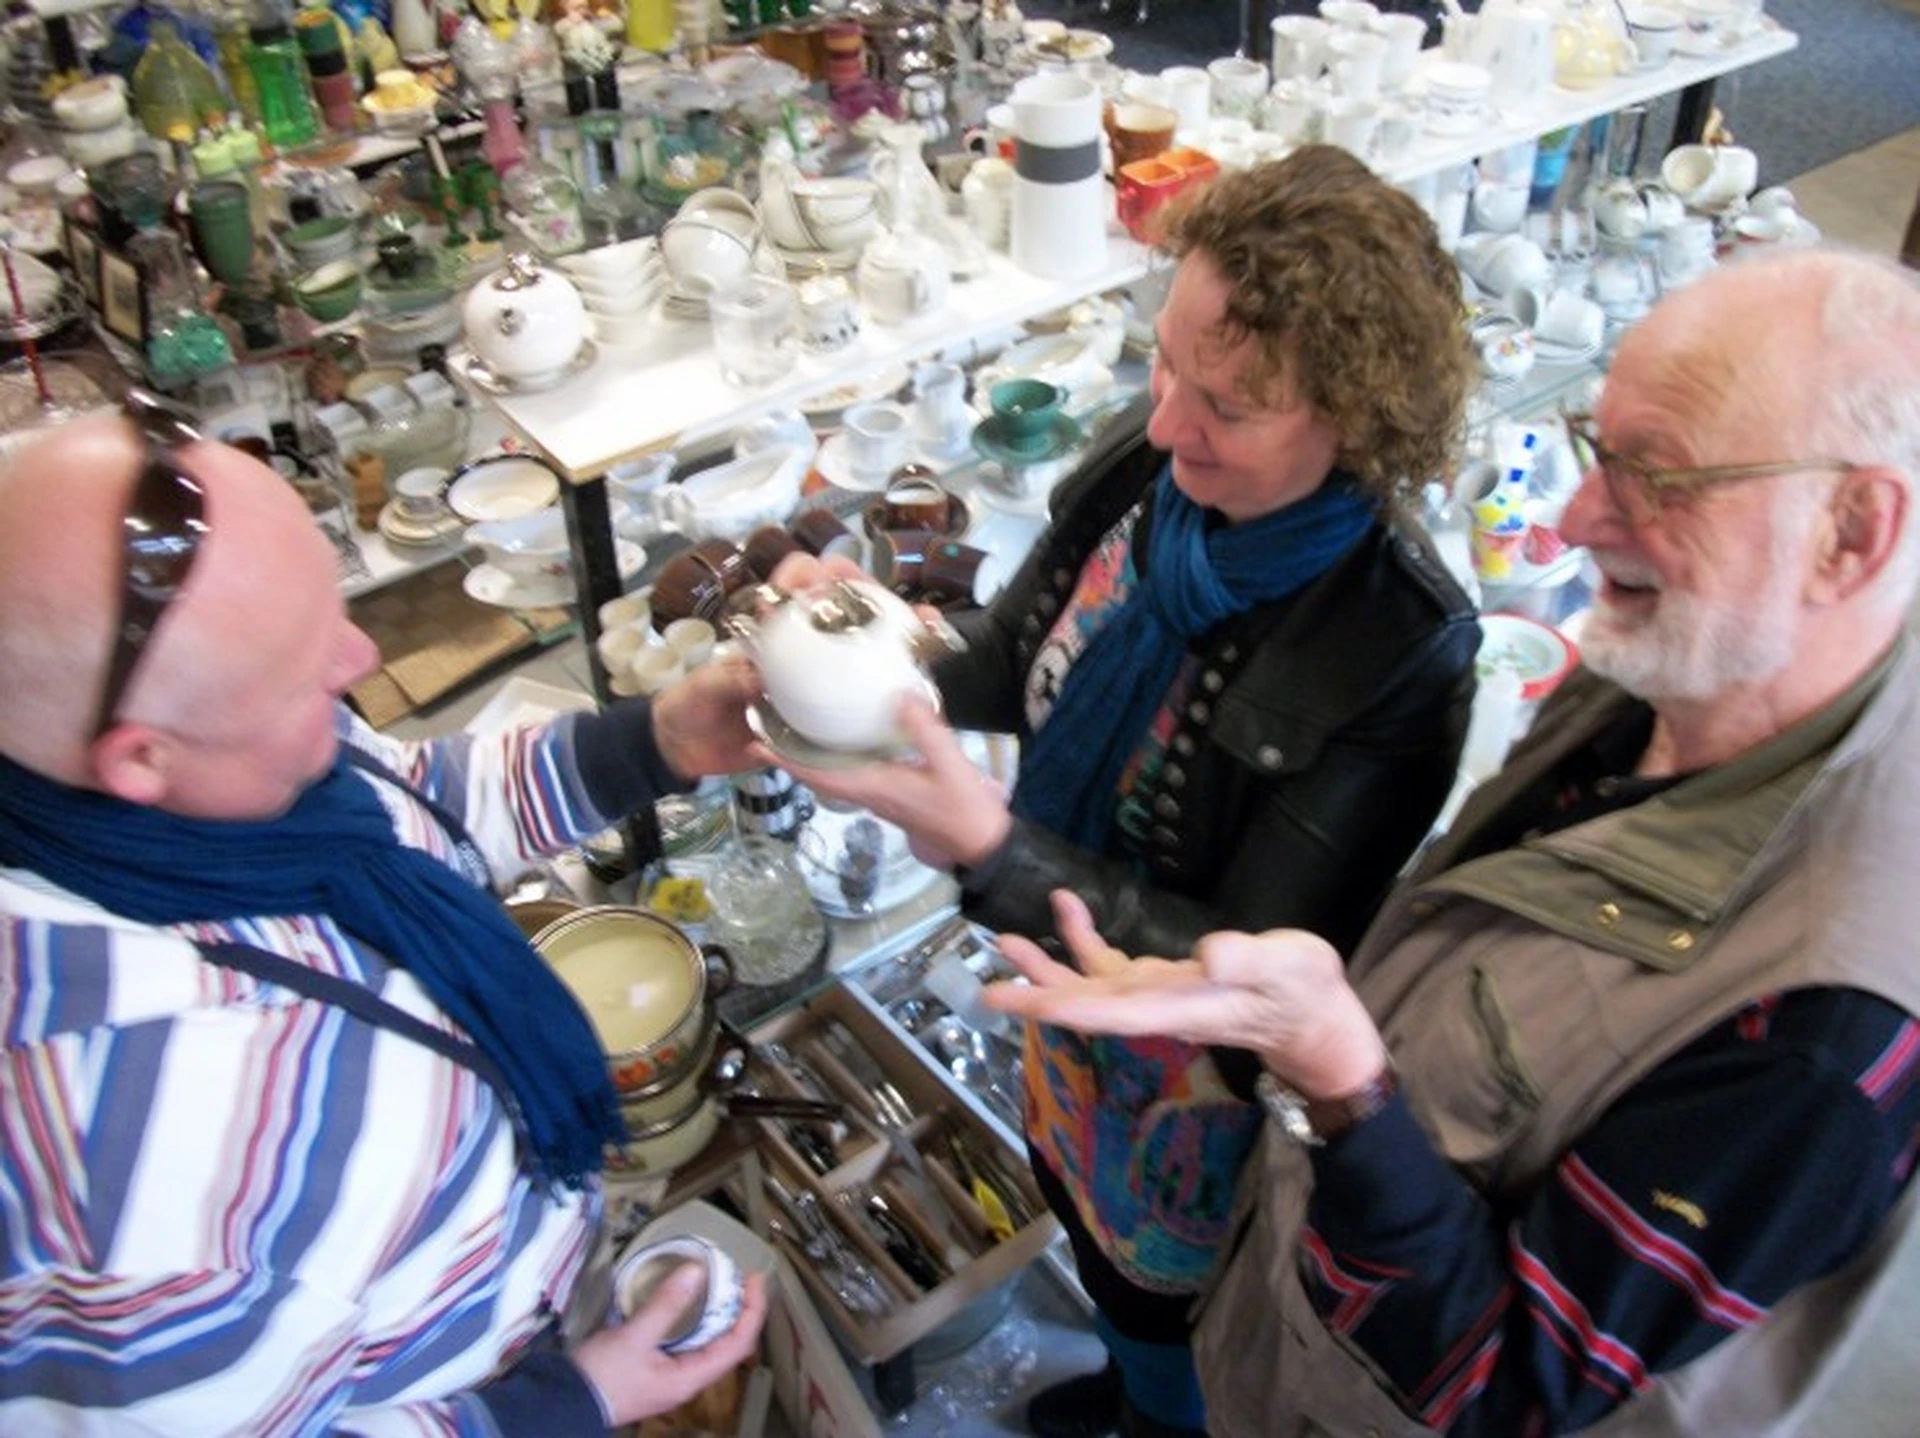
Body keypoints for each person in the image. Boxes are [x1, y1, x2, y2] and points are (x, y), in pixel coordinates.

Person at [982, 247, 1920, 1437]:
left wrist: (1339, 1079)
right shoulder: (1696, 672)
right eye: (1597, 443)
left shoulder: (1825, 1035)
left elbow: (1502, 1397)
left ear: (1852, 531)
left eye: (1656, 476)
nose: (1577, 520)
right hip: (1274, 1282)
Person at [778, 146, 1481, 1438]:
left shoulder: (1396, 646)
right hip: (1060, 1007)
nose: (1167, 423)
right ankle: (1124, 1379)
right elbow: (1009, 657)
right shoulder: (1152, 471)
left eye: (1228, 404)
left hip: (1188, 1103)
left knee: (1166, 1306)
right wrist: (868, 638)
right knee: (1084, 1236)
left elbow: (1243, 985)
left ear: (1358, 416)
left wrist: (997, 845)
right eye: (1167, 363)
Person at [0, 402, 768, 1433]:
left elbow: (405, 806)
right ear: (139, 758)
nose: (359, 658)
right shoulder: (147, 1197)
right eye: (301, 662)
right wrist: (566, 1402)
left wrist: (652, 743)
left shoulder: (218, 783)